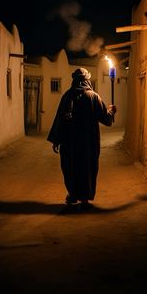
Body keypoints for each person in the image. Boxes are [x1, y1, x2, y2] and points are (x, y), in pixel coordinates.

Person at [47, 67, 117, 210]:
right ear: (87, 80)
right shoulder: (93, 97)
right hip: (88, 144)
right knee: (87, 167)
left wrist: (56, 139)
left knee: (70, 166)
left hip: (70, 143)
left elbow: (59, 119)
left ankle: (73, 194)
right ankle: (84, 197)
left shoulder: (67, 96)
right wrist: (111, 111)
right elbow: (106, 119)